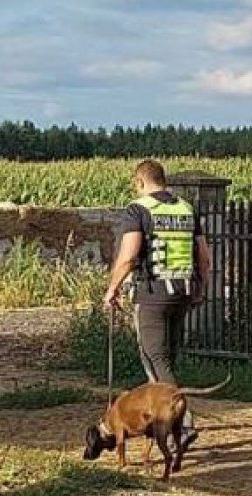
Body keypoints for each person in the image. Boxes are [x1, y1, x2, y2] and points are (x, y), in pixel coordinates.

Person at [103, 158, 212, 452]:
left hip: (152, 294)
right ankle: (170, 420)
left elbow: (128, 256)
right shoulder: (186, 208)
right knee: (169, 358)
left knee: (155, 360)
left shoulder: (138, 210)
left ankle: (183, 423)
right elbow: (204, 257)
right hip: (183, 293)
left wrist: (112, 288)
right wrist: (201, 288)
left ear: (140, 182)